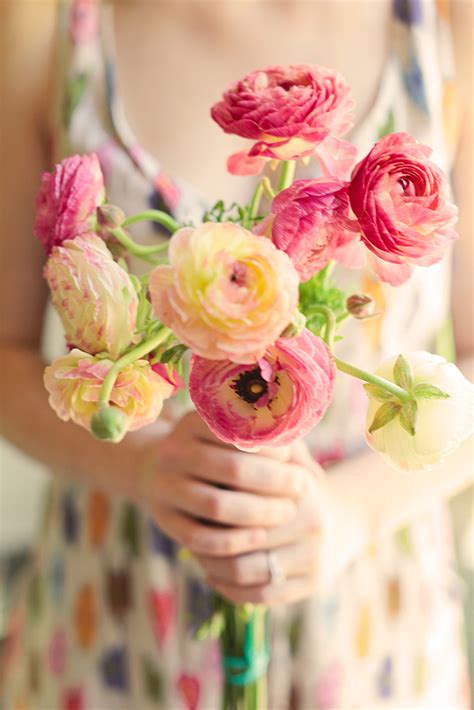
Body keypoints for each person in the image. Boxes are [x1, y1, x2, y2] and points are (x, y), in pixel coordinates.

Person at [0, 0, 472, 708]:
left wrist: (350, 515)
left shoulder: (446, 26)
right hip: (119, 614)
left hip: (368, 628)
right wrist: (140, 468)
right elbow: (3, 358)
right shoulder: (48, 27)